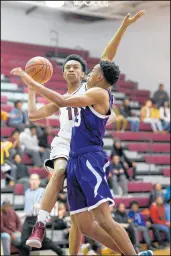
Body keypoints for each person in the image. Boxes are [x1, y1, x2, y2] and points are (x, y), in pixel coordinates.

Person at [11, 10, 145, 255]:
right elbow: (34, 115)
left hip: (85, 150)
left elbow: (107, 56)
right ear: (62, 73)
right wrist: (30, 88)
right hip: (66, 145)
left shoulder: (92, 88)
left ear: (86, 74)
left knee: (81, 220)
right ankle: (40, 223)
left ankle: (127, 252)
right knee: (61, 174)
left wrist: (123, 27)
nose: (72, 70)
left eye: (77, 67)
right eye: (68, 67)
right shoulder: (63, 96)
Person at [19, 173, 64, 256]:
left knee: (44, 240)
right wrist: (24, 214)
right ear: (29, 181)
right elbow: (27, 207)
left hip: (38, 219)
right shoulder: (27, 192)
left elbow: (48, 203)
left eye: (36, 180)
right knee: (23, 242)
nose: (34, 181)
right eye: (32, 179)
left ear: (39, 181)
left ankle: (61, 252)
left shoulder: (42, 191)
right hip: (27, 219)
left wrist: (39, 206)